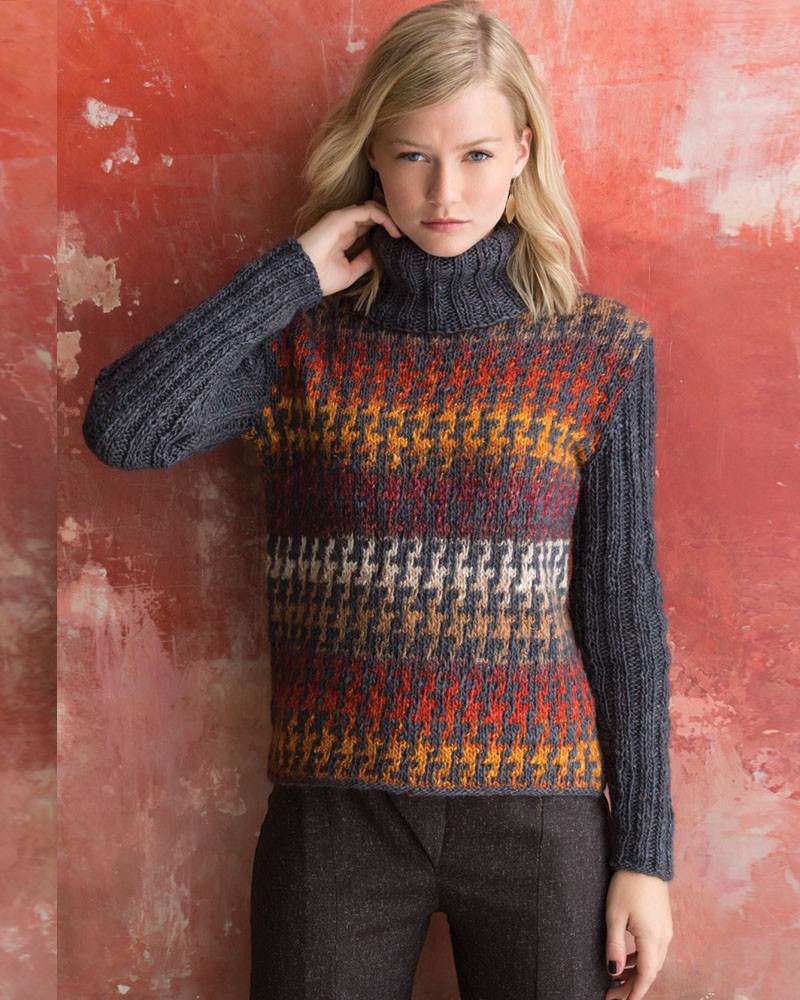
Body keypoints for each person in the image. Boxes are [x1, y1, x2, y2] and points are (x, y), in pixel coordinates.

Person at [81, 1, 675, 998]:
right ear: (372, 159)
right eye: (413, 156)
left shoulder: (596, 349)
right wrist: (287, 277)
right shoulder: (298, 344)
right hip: (334, 817)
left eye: (476, 154)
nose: (446, 191)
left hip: (540, 815)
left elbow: (623, 617)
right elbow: (123, 428)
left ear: (522, 153)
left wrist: (645, 855)